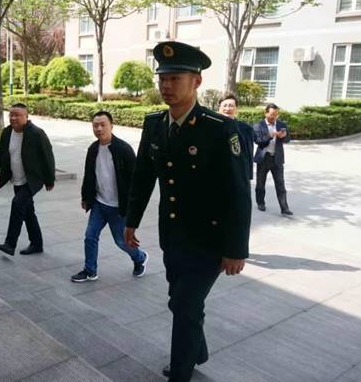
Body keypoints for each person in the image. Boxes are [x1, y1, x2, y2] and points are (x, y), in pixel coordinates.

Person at [124, 41, 251, 381]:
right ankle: (198, 350)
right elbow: (142, 177)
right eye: (162, 79)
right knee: (179, 300)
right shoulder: (154, 123)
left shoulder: (220, 128)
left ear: (196, 81)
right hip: (173, 236)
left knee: (184, 304)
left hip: (209, 240)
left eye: (175, 79)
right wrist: (131, 221)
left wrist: (236, 249)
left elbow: (238, 193)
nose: (166, 86)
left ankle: (181, 372)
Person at [71, 111, 148, 283]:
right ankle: (90, 270)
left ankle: (140, 257)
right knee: (90, 236)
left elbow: (137, 179)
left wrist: (134, 207)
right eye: (95, 125)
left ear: (111, 126)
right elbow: (89, 174)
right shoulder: (93, 149)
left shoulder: (123, 149)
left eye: (102, 125)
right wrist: (85, 197)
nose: (99, 129)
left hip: (118, 207)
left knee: (121, 242)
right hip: (99, 203)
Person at [0, 103, 56, 256]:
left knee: (17, 203)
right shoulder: (7, 132)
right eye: (11, 114)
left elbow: (48, 157)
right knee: (28, 212)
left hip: (33, 179)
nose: (13, 118)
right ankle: (37, 244)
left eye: (17, 115)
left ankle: (10, 244)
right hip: (17, 179)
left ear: (26, 117)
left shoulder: (37, 134)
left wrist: (50, 179)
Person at [253, 103, 292, 215]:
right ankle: (261, 203)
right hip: (264, 158)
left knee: (280, 184)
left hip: (277, 158)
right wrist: (270, 136)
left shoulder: (281, 124)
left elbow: (288, 139)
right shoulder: (258, 125)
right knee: (260, 184)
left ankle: (284, 208)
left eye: (276, 114)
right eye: (271, 114)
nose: (273, 117)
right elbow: (258, 141)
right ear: (265, 113)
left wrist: (284, 136)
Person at [218, 94, 255, 181]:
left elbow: (249, 154)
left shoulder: (246, 129)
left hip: (237, 175)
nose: (227, 109)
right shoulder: (211, 126)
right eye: (225, 106)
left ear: (236, 109)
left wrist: (248, 176)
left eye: (231, 106)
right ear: (219, 108)